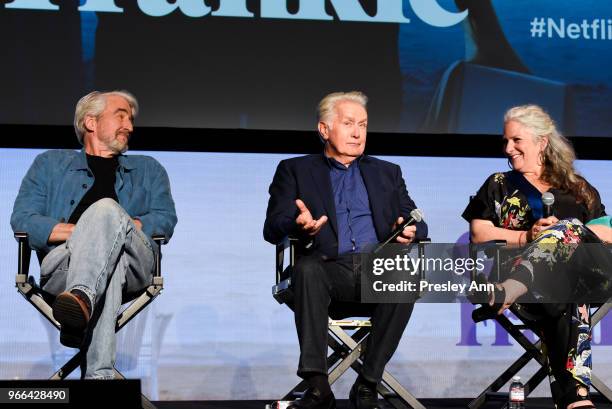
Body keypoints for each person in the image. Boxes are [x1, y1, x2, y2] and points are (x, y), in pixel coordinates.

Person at [264, 91, 427, 409]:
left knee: (407, 276)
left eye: (363, 125)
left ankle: (368, 382)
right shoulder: (294, 169)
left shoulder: (387, 172)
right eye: (349, 123)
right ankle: (317, 385)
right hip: (325, 271)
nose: (357, 132)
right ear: (324, 130)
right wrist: (299, 225)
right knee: (306, 268)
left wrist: (409, 230)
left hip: (375, 270)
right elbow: (272, 228)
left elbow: (417, 221)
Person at [10, 90, 178, 379]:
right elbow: (23, 220)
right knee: (110, 266)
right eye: (121, 116)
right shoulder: (49, 165)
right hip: (64, 267)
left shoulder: (149, 169)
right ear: (90, 122)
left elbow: (164, 220)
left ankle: (80, 302)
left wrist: (110, 224)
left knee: (106, 210)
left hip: (135, 263)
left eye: (131, 119)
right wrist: (91, 234)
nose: (130, 126)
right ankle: (98, 376)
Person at [463, 104, 611, 409]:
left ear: (542, 142)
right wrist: (527, 237)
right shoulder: (498, 184)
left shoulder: (578, 188)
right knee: (569, 291)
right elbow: (479, 233)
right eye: (505, 141)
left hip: (589, 274)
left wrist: (565, 235)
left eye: (516, 140)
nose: (508, 148)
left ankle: (508, 291)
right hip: (547, 292)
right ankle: (576, 399)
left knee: (567, 228)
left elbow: (607, 232)